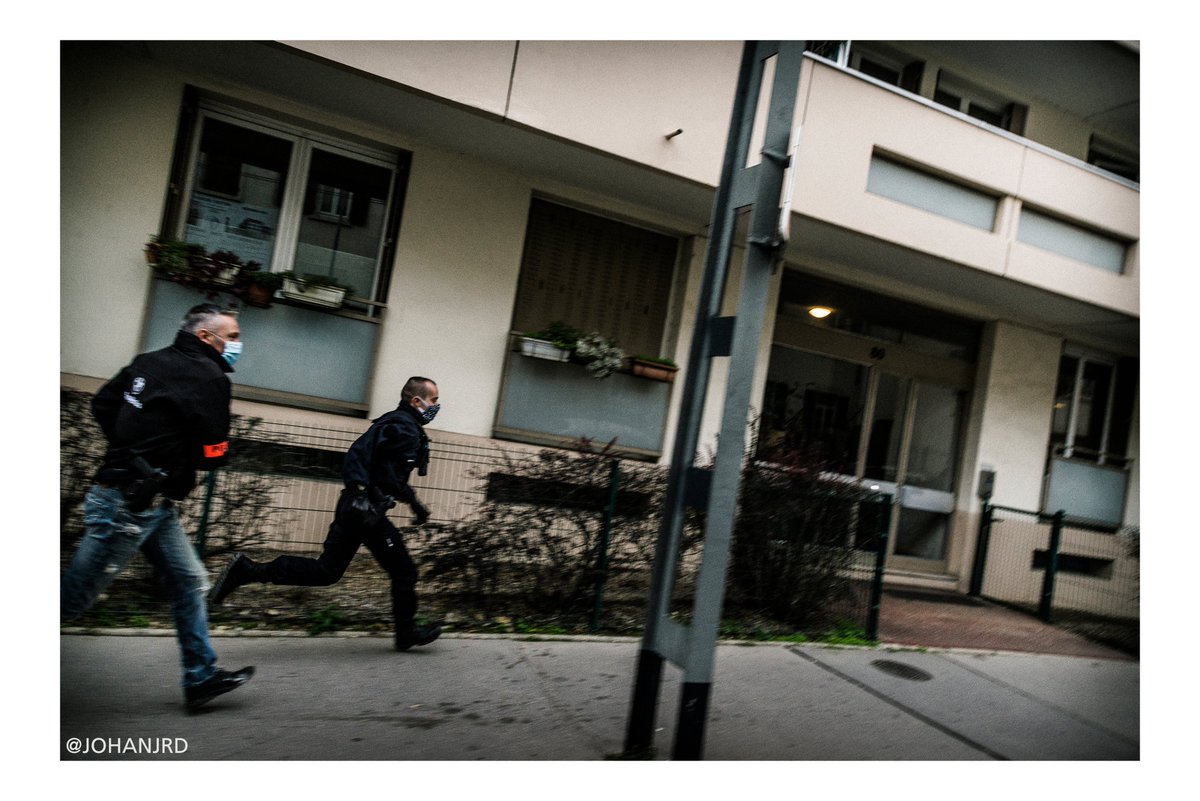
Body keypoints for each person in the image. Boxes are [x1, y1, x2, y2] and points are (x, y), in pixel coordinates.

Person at [61, 303, 254, 710]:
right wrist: (162, 454)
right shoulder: (211, 376)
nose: (238, 343)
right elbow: (213, 453)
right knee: (71, 601)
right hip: (126, 508)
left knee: (188, 581)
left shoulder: (148, 361)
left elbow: (102, 405)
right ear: (207, 337)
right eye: (233, 336)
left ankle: (200, 677)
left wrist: (133, 448)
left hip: (150, 503)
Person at [210, 376, 443, 651]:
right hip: (365, 511)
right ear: (416, 401)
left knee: (327, 571)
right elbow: (359, 455)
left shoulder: (399, 424)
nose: (436, 406)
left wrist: (411, 502)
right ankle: (406, 632)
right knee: (404, 571)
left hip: (359, 509)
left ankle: (247, 570)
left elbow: (387, 474)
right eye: (434, 400)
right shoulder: (401, 427)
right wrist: (362, 492)